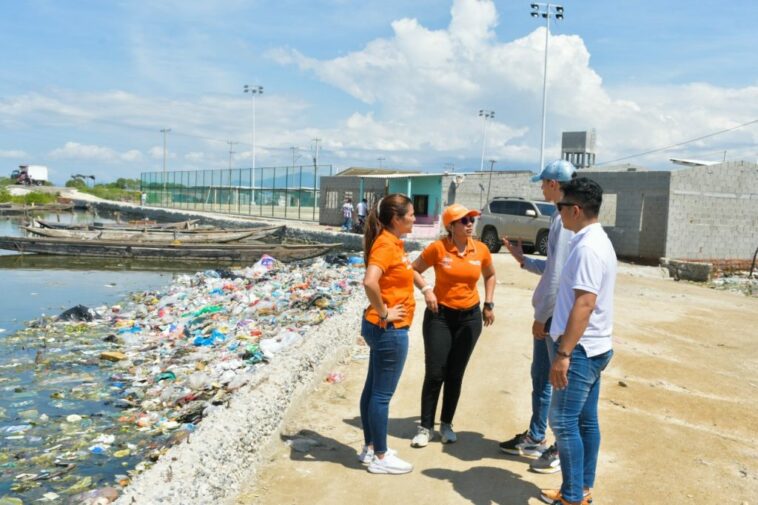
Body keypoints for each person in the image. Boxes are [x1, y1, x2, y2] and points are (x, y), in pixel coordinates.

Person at [540, 177, 616, 505]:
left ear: (574, 209)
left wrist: (563, 354)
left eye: (559, 207)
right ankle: (581, 489)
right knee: (585, 420)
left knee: (563, 421)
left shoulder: (587, 247)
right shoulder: (596, 240)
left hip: (581, 350)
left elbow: (585, 304)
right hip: (596, 346)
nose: (557, 214)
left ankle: (572, 497)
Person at [499, 159, 576, 475]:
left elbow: (559, 277)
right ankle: (535, 436)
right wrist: (524, 261)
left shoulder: (565, 221)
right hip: (552, 316)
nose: (541, 188)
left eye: (543, 183)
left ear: (555, 184)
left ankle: (556, 447)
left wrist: (542, 317)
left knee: (556, 384)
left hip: (555, 319)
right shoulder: (560, 218)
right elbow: (552, 267)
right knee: (540, 378)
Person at [410, 204, 496, 447]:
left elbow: (490, 275)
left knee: (455, 374)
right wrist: (427, 290)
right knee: (436, 372)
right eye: (464, 220)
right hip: (440, 316)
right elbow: (413, 269)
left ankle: (446, 424)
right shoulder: (438, 248)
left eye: (471, 220)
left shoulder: (480, 250)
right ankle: (425, 426)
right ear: (451, 226)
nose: (470, 224)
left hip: (469, 318)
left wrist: (489, 303)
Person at [358, 193, 423, 475]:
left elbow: (402, 274)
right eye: (410, 214)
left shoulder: (393, 242)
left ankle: (371, 447)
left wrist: (426, 289)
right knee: (381, 395)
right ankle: (381, 457)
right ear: (396, 219)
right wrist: (385, 312)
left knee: (373, 390)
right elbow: (369, 281)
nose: (414, 218)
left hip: (378, 326)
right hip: (389, 329)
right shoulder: (386, 244)